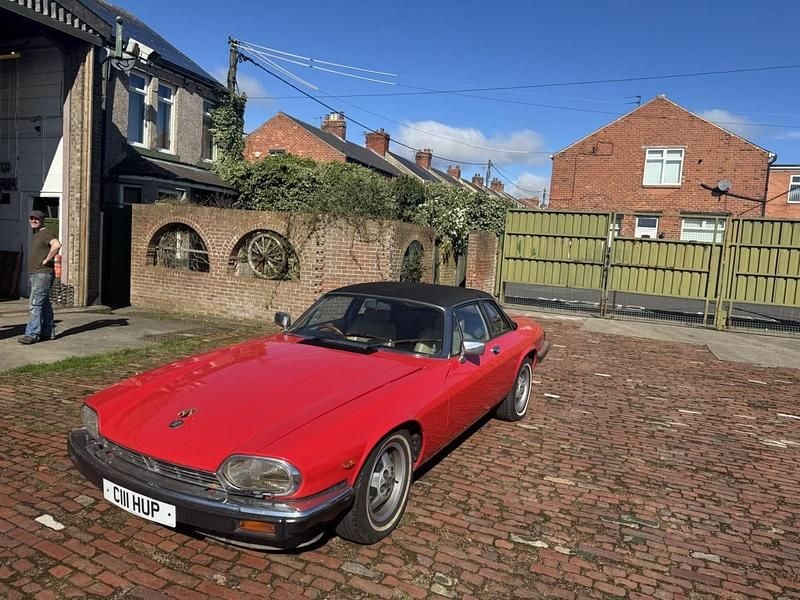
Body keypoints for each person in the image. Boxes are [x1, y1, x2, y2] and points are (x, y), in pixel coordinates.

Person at [19, 210, 62, 344]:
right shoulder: (37, 235)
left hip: (42, 274)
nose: (33, 220)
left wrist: (47, 260)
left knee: (35, 304)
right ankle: (48, 332)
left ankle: (32, 334)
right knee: (44, 305)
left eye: (36, 218)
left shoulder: (45, 233)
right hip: (37, 274)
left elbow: (57, 245)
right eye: (31, 218)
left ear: (42, 220)